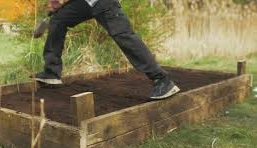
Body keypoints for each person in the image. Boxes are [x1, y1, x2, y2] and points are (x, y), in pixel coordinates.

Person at [35, 0, 180, 99]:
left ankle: (162, 80)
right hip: (86, 2)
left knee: (124, 36)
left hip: (104, 2)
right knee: (58, 20)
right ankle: (51, 73)